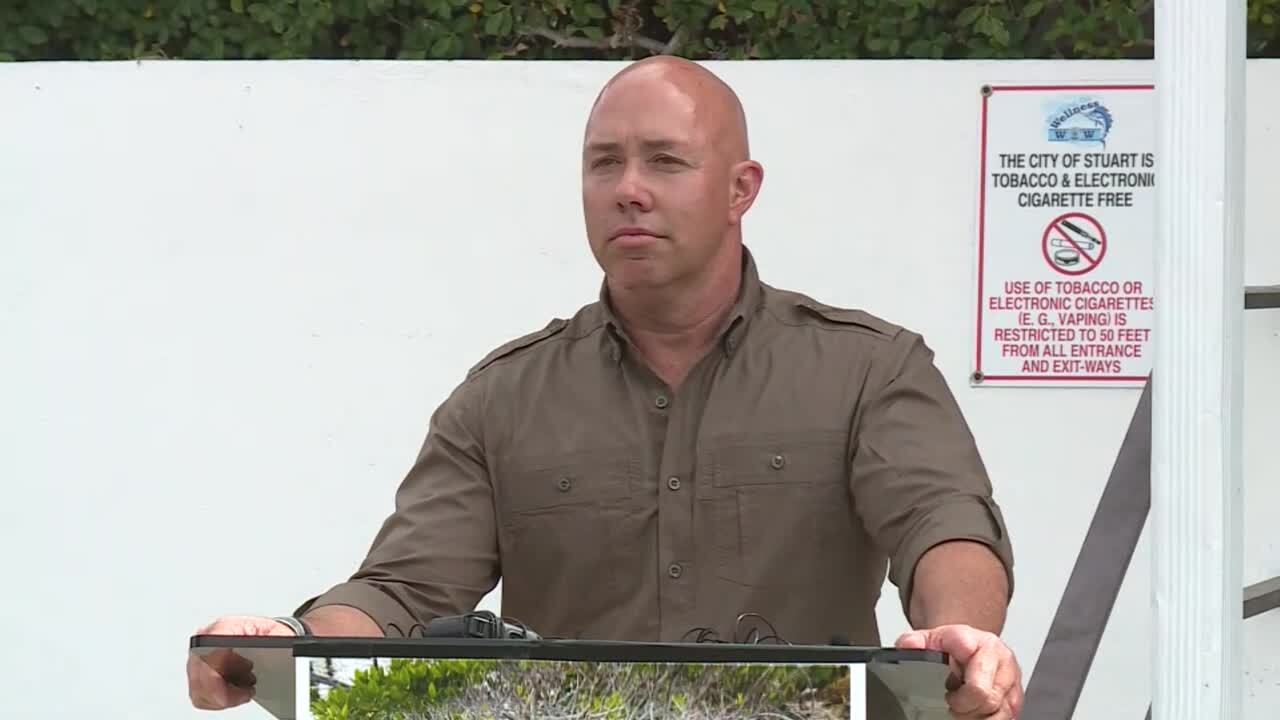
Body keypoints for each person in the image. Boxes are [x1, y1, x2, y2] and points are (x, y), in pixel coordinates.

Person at [188, 56, 1023, 719]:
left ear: (741, 189)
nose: (628, 187)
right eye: (603, 163)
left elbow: (940, 522)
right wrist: (290, 644)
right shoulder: (504, 398)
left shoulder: (867, 369)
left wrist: (959, 635)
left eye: (665, 160)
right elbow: (403, 591)